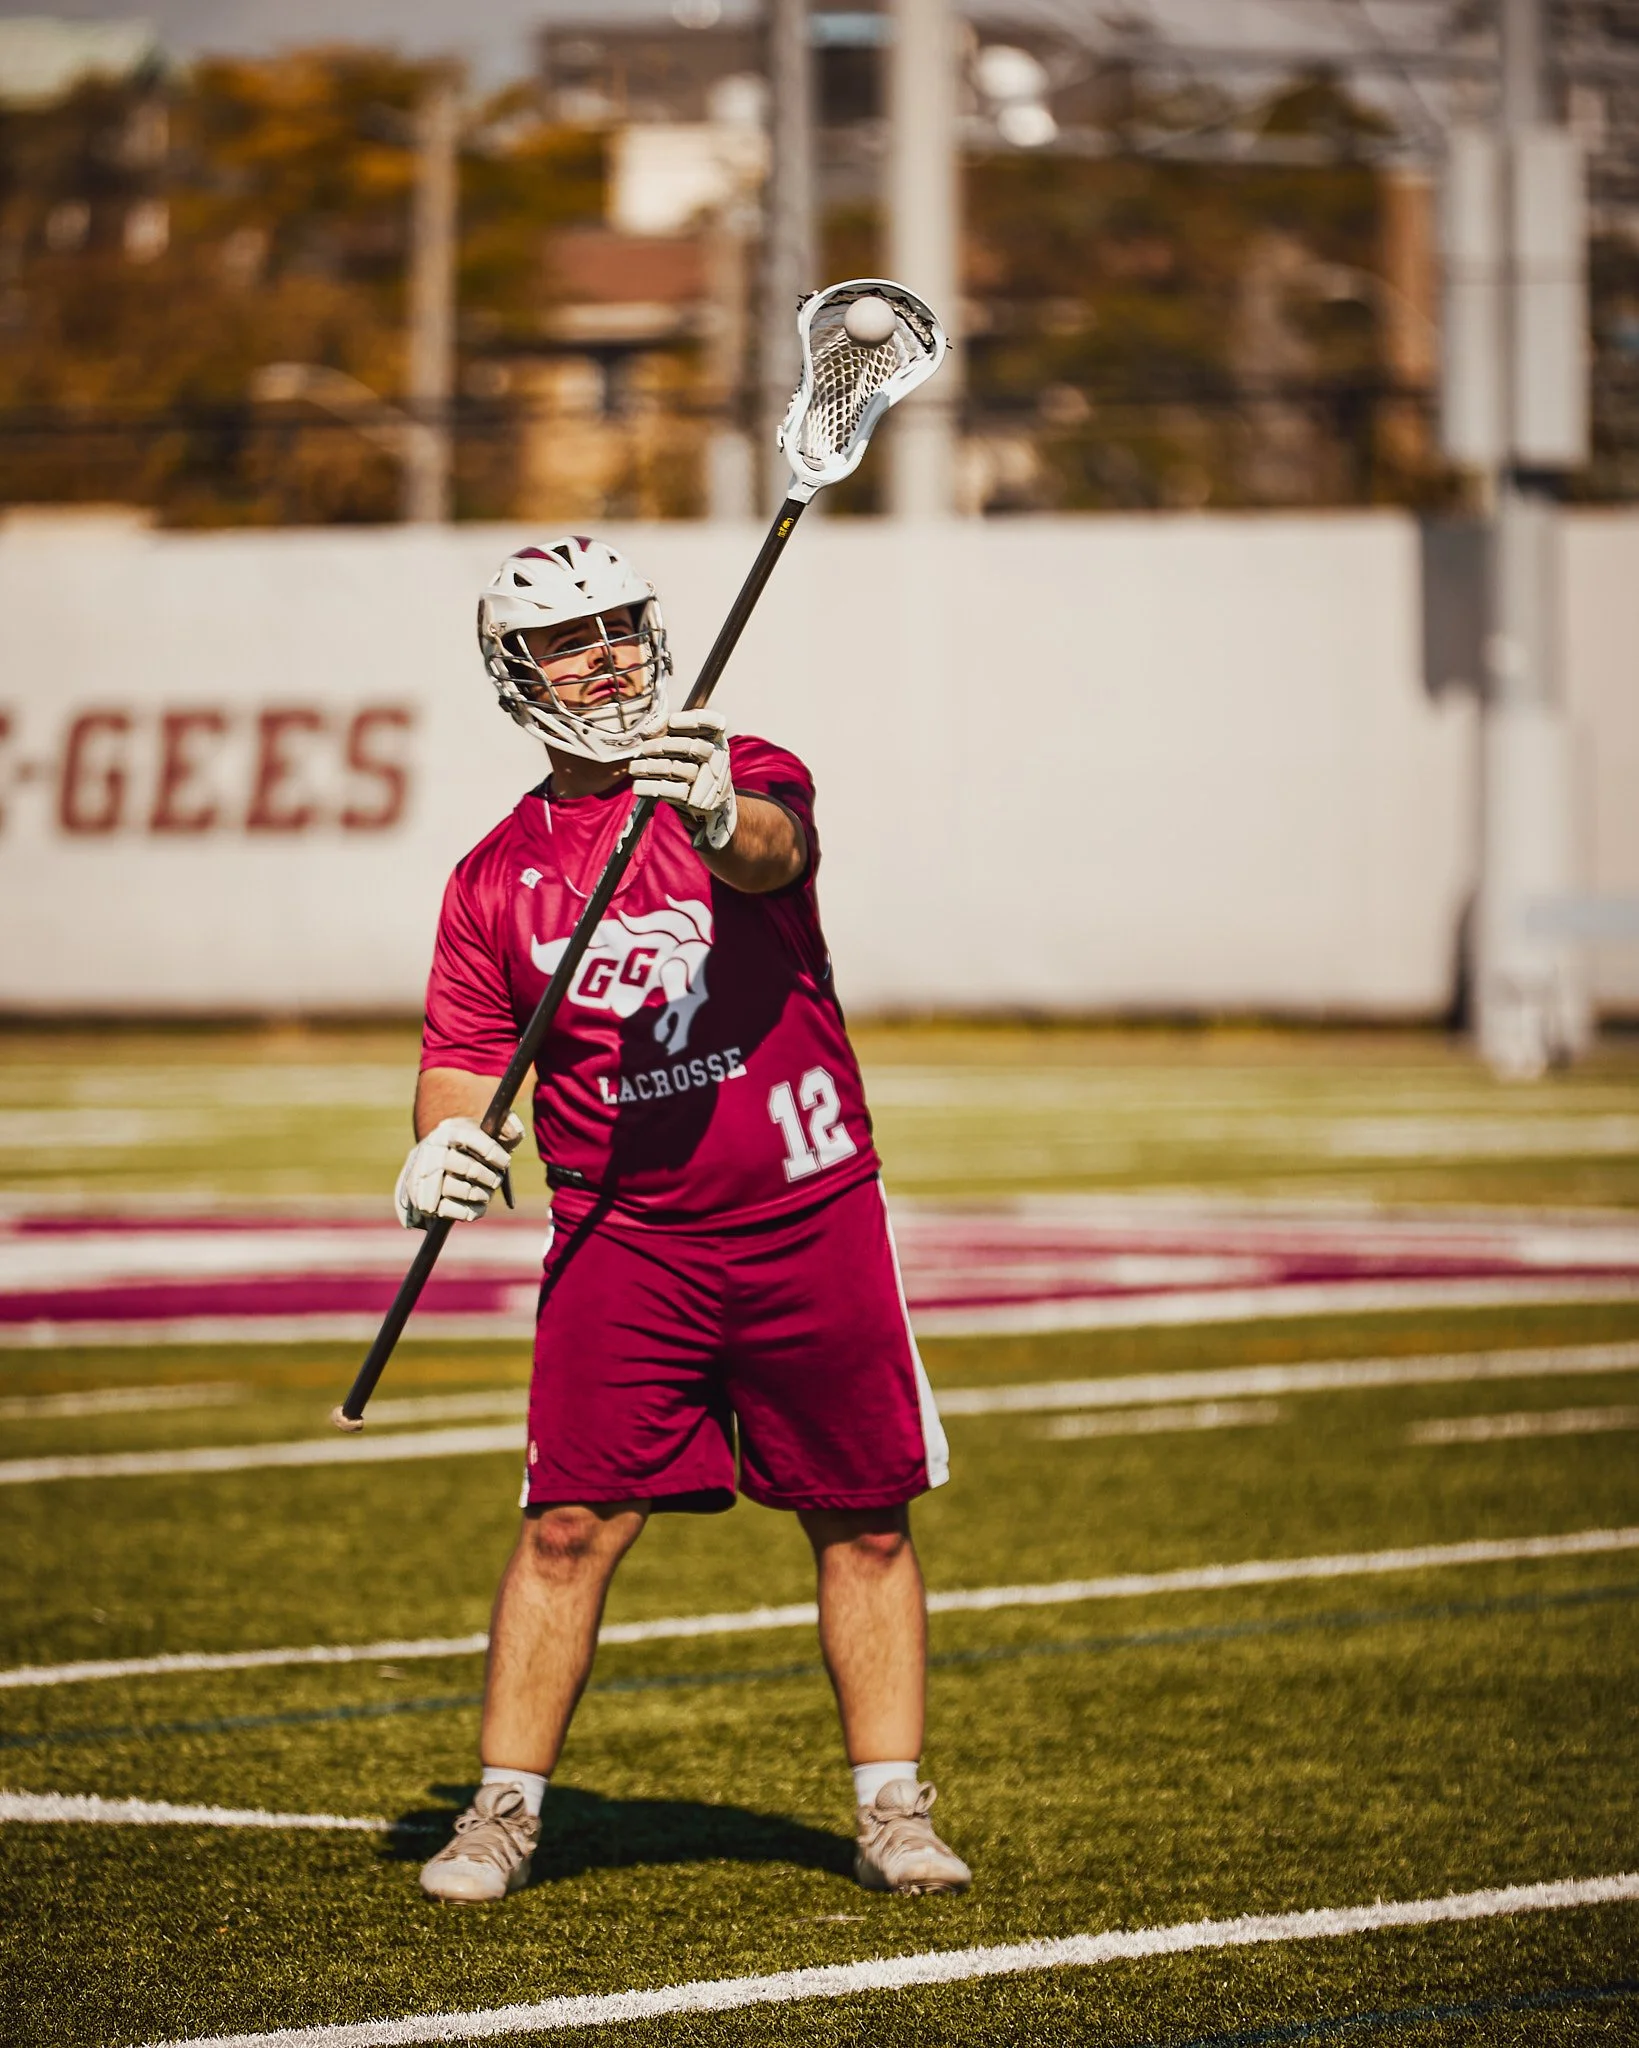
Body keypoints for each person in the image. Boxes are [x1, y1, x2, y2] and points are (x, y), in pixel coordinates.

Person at [404, 536, 968, 1905]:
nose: (601, 655)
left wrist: (715, 814)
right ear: (511, 669)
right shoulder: (494, 878)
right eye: (566, 636)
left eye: (618, 625)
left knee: (863, 1518)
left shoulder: (740, 768)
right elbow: (464, 1056)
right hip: (624, 1235)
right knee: (564, 1529)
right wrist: (441, 1146)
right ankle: (500, 1812)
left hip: (806, 1208)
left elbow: (774, 855)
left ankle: (891, 1806)